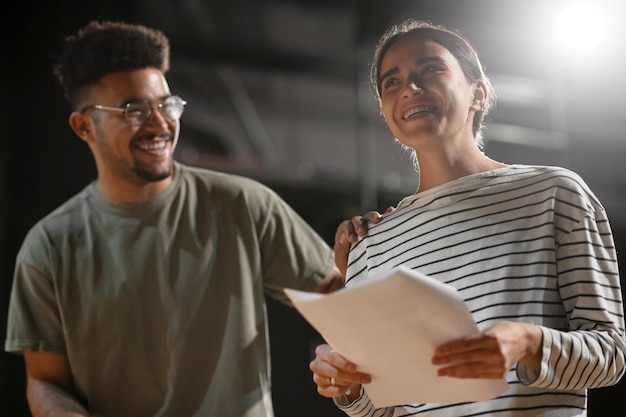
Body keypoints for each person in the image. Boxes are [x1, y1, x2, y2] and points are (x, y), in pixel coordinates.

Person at [4, 20, 345, 417]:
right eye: (133, 110)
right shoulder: (49, 245)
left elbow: (339, 298)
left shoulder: (242, 204)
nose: (160, 123)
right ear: (84, 127)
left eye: (166, 105)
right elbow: (44, 381)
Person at [309, 19, 626, 416]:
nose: (410, 87)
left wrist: (527, 343)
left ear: (479, 93)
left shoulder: (556, 194)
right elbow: (384, 408)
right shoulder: (370, 244)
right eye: (393, 82)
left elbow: (610, 354)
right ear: (387, 113)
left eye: (431, 69)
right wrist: (349, 389)